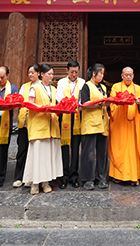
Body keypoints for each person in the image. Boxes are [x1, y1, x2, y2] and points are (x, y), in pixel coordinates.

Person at [23, 63, 63, 194]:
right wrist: (43, 109)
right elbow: (29, 105)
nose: (51, 76)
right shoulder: (35, 88)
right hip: (39, 126)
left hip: (51, 126)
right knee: (38, 155)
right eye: (49, 74)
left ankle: (45, 181)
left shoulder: (53, 89)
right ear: (42, 74)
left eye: (52, 74)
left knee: (47, 156)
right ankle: (35, 183)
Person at [108, 66, 140, 185]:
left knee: (133, 150)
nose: (128, 77)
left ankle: (133, 176)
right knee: (118, 149)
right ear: (122, 76)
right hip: (119, 124)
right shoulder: (116, 87)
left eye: (130, 74)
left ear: (133, 75)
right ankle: (118, 175)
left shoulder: (138, 88)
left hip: (133, 125)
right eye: (126, 75)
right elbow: (112, 104)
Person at [79, 63, 109, 191]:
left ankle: (101, 177)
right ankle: (88, 179)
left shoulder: (103, 87)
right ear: (93, 74)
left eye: (103, 74)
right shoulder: (86, 86)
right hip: (90, 124)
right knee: (88, 153)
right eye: (100, 73)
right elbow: (84, 103)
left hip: (102, 123)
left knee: (102, 153)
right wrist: (98, 104)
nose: (102, 76)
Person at [55, 61, 86, 189]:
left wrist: (76, 105)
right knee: (64, 147)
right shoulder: (62, 82)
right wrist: (68, 104)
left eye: (76, 72)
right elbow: (59, 97)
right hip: (65, 116)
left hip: (77, 116)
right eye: (72, 72)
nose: (74, 74)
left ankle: (74, 176)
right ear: (67, 71)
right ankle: (64, 176)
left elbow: (82, 99)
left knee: (75, 147)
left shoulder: (82, 82)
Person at [13, 63, 39, 188]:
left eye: (33, 72)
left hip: (36, 123)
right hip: (24, 122)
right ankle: (19, 176)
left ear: (39, 73)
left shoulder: (41, 87)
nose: (30, 74)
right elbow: (19, 101)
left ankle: (31, 177)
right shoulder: (24, 86)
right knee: (22, 150)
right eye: (29, 72)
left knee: (34, 151)